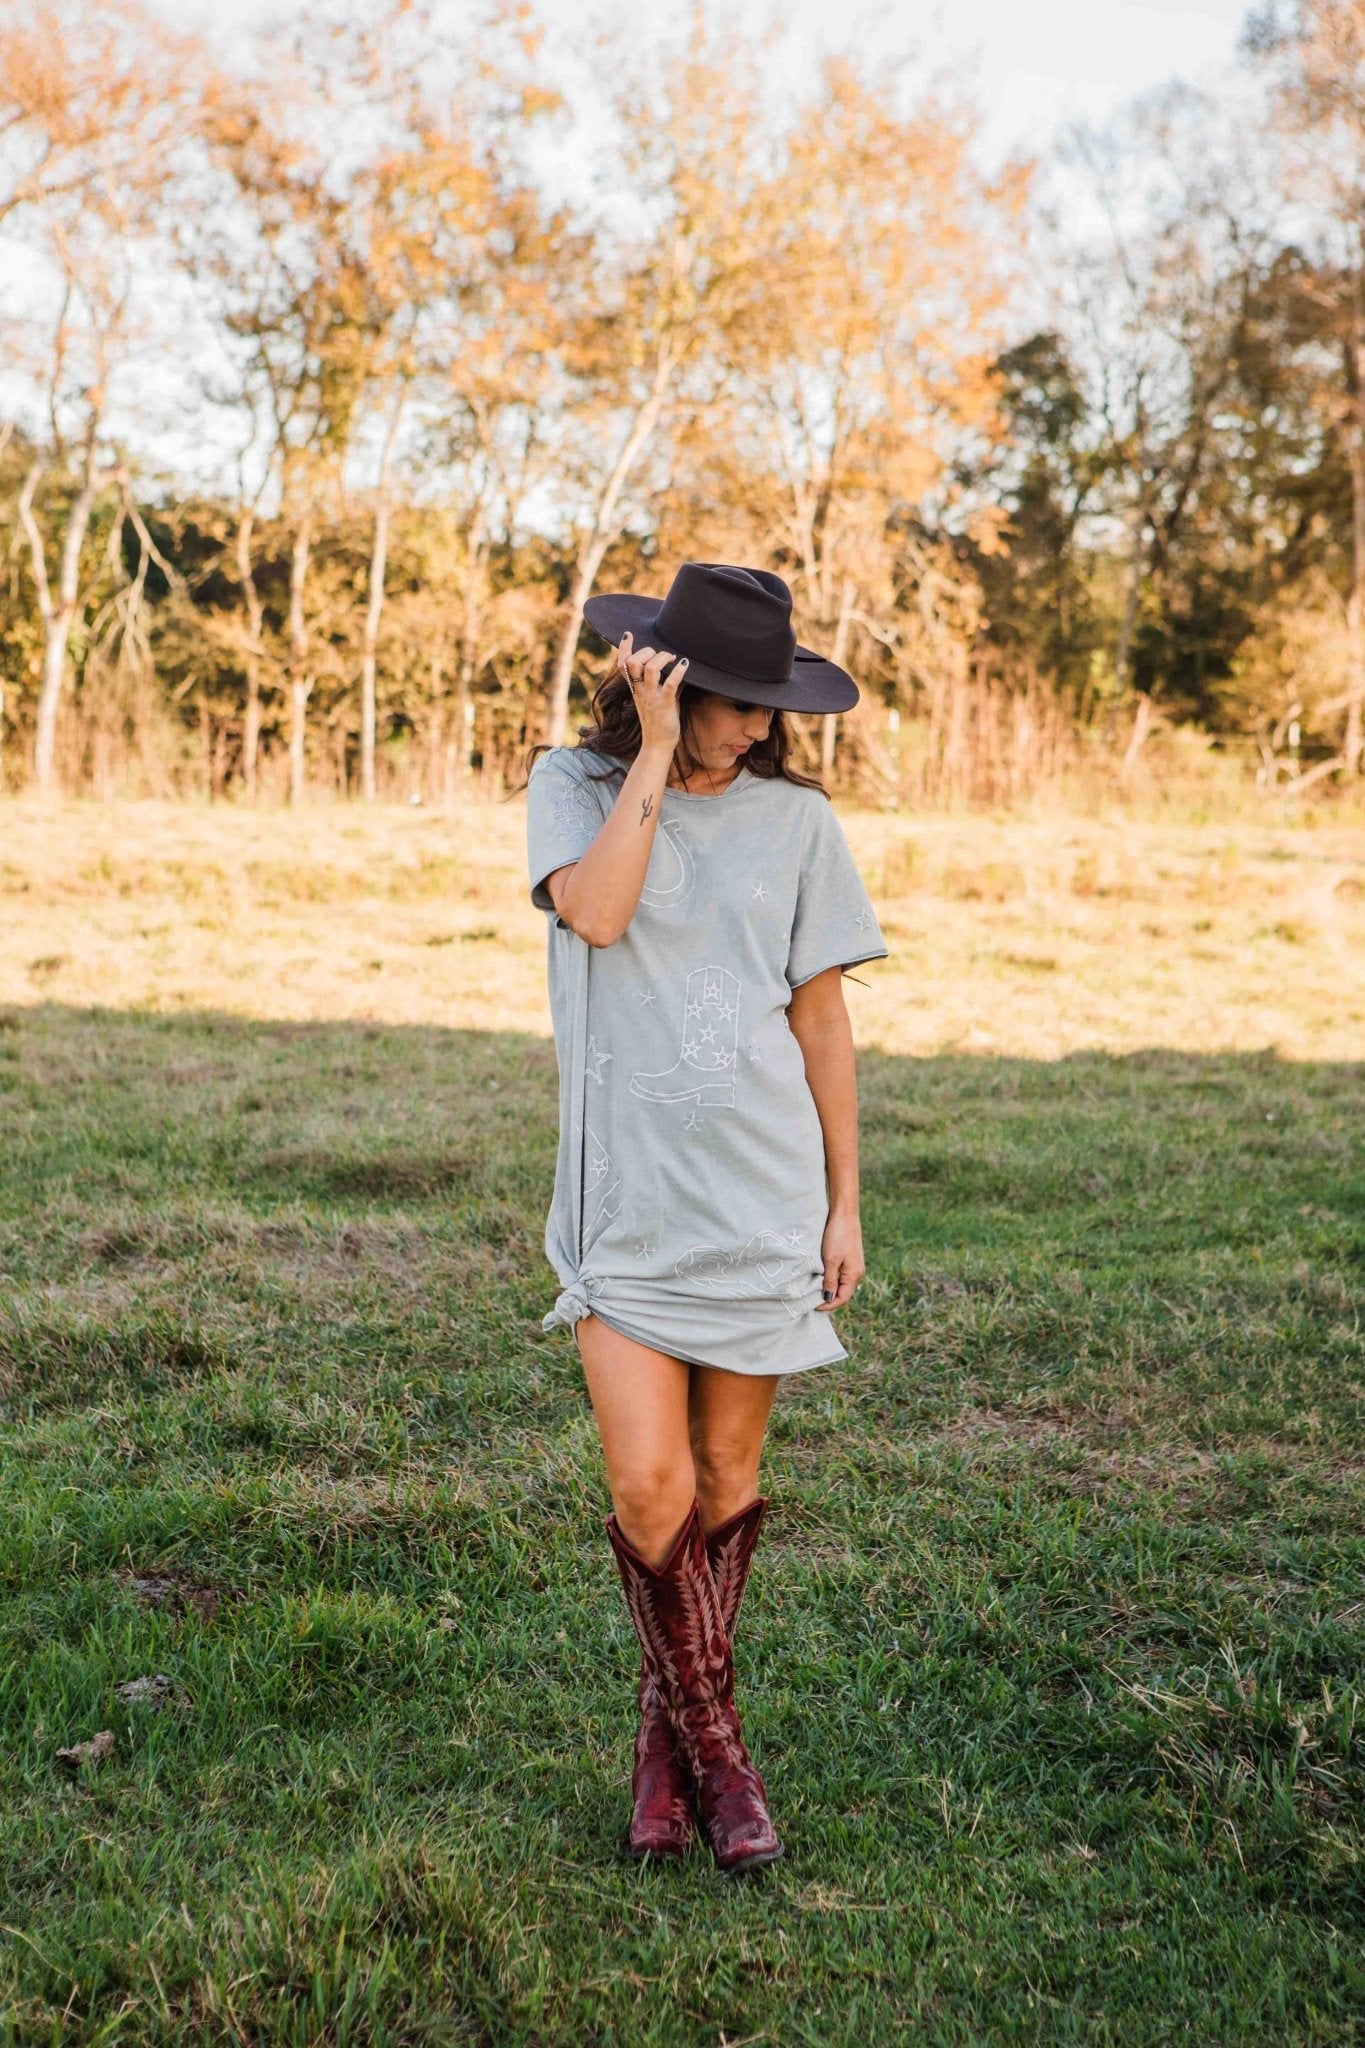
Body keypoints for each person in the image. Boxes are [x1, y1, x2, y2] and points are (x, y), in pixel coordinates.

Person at [520, 561, 888, 1873]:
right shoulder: (572, 787)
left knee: (726, 1482)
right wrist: (656, 752)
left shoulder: (798, 825)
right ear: (660, 681)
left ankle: (665, 1746)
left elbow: (821, 1017)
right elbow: (598, 913)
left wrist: (844, 1201)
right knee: (648, 1485)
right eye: (731, 702)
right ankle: (720, 1753)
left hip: (759, 1194)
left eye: (765, 704)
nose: (757, 727)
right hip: (623, 1204)